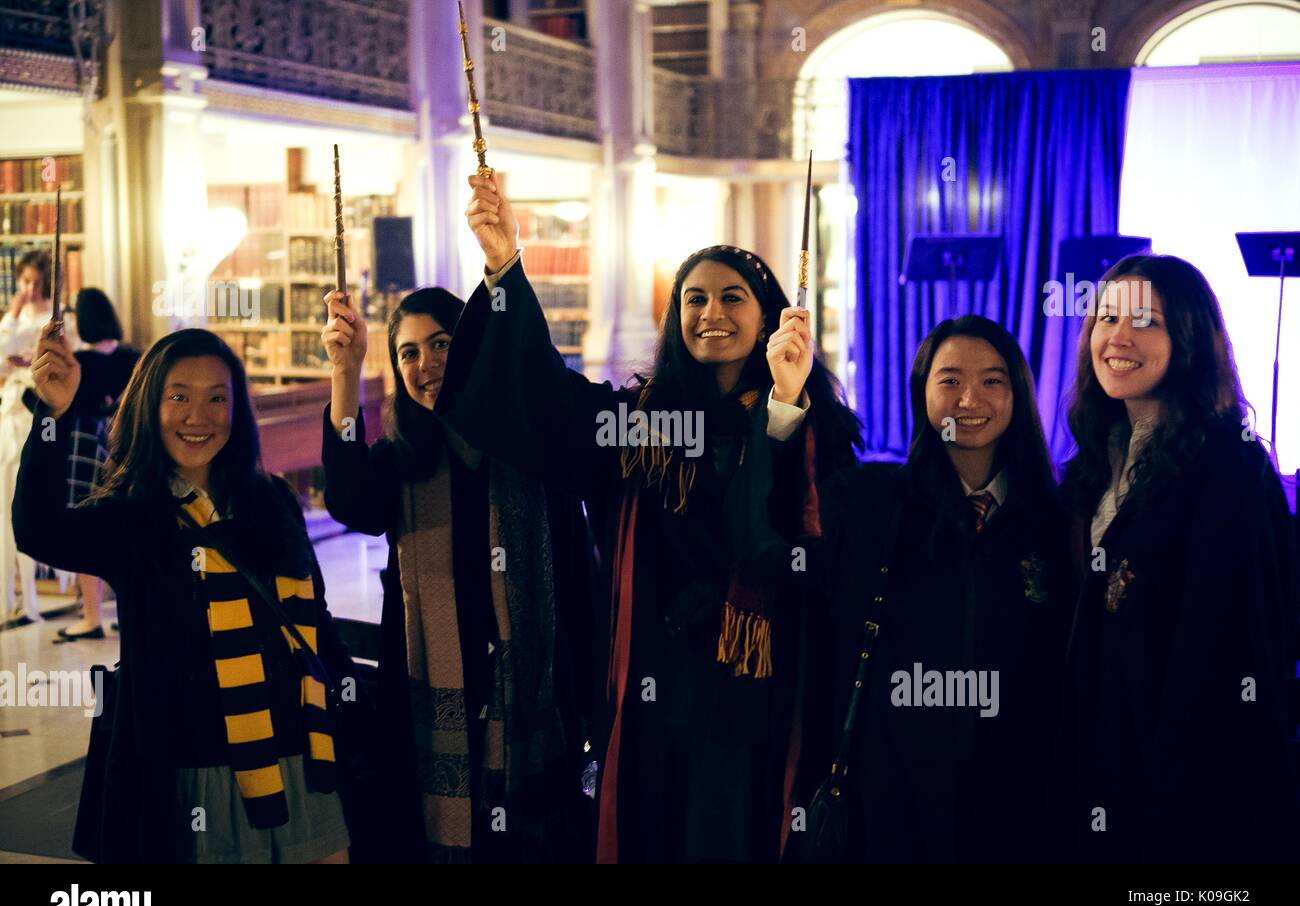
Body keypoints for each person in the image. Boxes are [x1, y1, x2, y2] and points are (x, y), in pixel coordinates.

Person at [444, 172, 862, 862]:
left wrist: (784, 410)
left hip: (764, 693)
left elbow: (804, 542)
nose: (711, 312)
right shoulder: (639, 426)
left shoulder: (815, 429)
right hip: (656, 688)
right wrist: (503, 267)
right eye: (694, 298)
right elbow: (541, 397)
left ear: (769, 316)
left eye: (734, 297)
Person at [17, 324, 356, 863]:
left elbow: (316, 617)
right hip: (200, 772)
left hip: (302, 758)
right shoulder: (133, 516)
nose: (198, 416)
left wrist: (347, 705)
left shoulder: (270, 501)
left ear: (236, 410)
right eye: (179, 397)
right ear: (150, 405)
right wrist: (51, 415)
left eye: (217, 399)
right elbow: (38, 530)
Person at [320, 285, 596, 862]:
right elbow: (348, 499)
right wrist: (345, 375)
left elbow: (580, 581)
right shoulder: (401, 461)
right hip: (430, 697)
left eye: (443, 343)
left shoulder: (529, 446)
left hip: (532, 695)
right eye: (409, 353)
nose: (427, 365)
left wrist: (594, 703)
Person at [787, 315, 1074, 862]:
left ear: (1018, 394)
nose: (971, 398)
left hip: (1018, 803)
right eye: (949, 380)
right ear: (921, 392)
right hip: (891, 802)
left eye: (993, 380)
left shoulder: (1055, 521)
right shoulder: (872, 502)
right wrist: (788, 395)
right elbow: (784, 512)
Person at [1061, 254, 1300, 862]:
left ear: (1188, 338)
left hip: (1190, 803)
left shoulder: (1231, 471)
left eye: (1145, 322)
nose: (1117, 337)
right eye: (1106, 317)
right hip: (1097, 779)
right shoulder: (1090, 468)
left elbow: (1248, 655)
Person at [52, 287, 142, 642]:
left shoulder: (79, 364)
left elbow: (45, 405)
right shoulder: (134, 357)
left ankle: (91, 617)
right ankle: (129, 612)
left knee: (86, 530)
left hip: (86, 451)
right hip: (128, 449)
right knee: (128, 529)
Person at [0, 249, 53, 624]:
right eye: (25, 282)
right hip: (10, 409)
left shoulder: (54, 315)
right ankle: (12, 595)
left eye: (35, 283)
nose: (30, 289)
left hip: (36, 409)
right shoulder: (14, 317)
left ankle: (33, 595)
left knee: (29, 495)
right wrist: (14, 313)